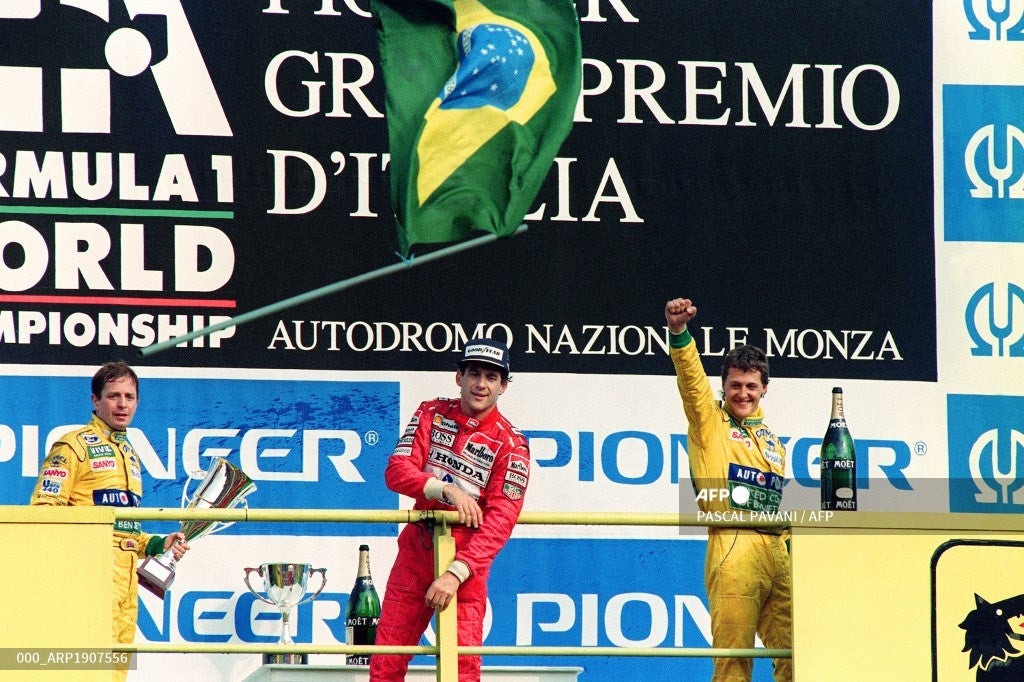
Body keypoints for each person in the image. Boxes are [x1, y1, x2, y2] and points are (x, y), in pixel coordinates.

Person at [369, 338, 530, 681]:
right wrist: (446, 489)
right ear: (459, 377)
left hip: (467, 558)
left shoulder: (512, 444)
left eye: (491, 376)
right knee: (386, 663)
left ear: (504, 386)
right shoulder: (431, 412)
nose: (480, 384)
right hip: (418, 545)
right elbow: (396, 471)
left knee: (462, 671)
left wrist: (455, 573)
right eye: (473, 373)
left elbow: (501, 520)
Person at [30, 361, 189, 681]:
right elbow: (43, 513)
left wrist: (158, 543)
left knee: (115, 675)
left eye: (129, 397)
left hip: (125, 587)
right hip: (87, 578)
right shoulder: (72, 445)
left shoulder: (130, 454)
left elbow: (125, 529)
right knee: (80, 673)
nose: (122, 404)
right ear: (95, 401)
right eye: (114, 396)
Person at [664, 298, 792, 682]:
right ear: (723, 385)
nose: (742, 393)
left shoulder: (773, 439)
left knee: (798, 658)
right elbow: (691, 382)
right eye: (735, 385)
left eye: (751, 386)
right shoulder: (709, 423)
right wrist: (679, 333)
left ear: (764, 389)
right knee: (734, 663)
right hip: (733, 546)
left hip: (779, 553)